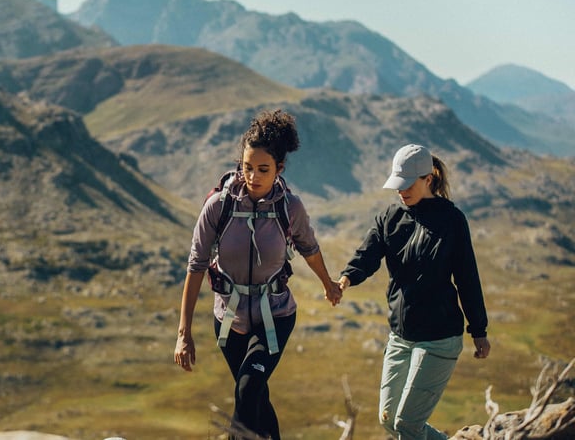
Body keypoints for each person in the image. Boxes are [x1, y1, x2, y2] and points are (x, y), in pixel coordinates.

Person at [174, 109, 342, 440]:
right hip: (229, 319)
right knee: (256, 395)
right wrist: (184, 332)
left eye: (263, 169)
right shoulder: (219, 206)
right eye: (247, 167)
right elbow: (196, 264)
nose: (253, 176)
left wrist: (328, 284)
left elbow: (309, 247)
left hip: (276, 315)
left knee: (248, 390)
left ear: (279, 168)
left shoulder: (288, 207)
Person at [337, 143, 490, 440]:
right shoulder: (390, 217)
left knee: (407, 424)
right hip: (400, 337)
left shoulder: (452, 221)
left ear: (428, 179)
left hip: (439, 338)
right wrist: (346, 278)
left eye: (408, 185)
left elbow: (467, 278)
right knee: (389, 420)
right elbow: (367, 255)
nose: (401, 192)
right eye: (397, 185)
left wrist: (479, 329)